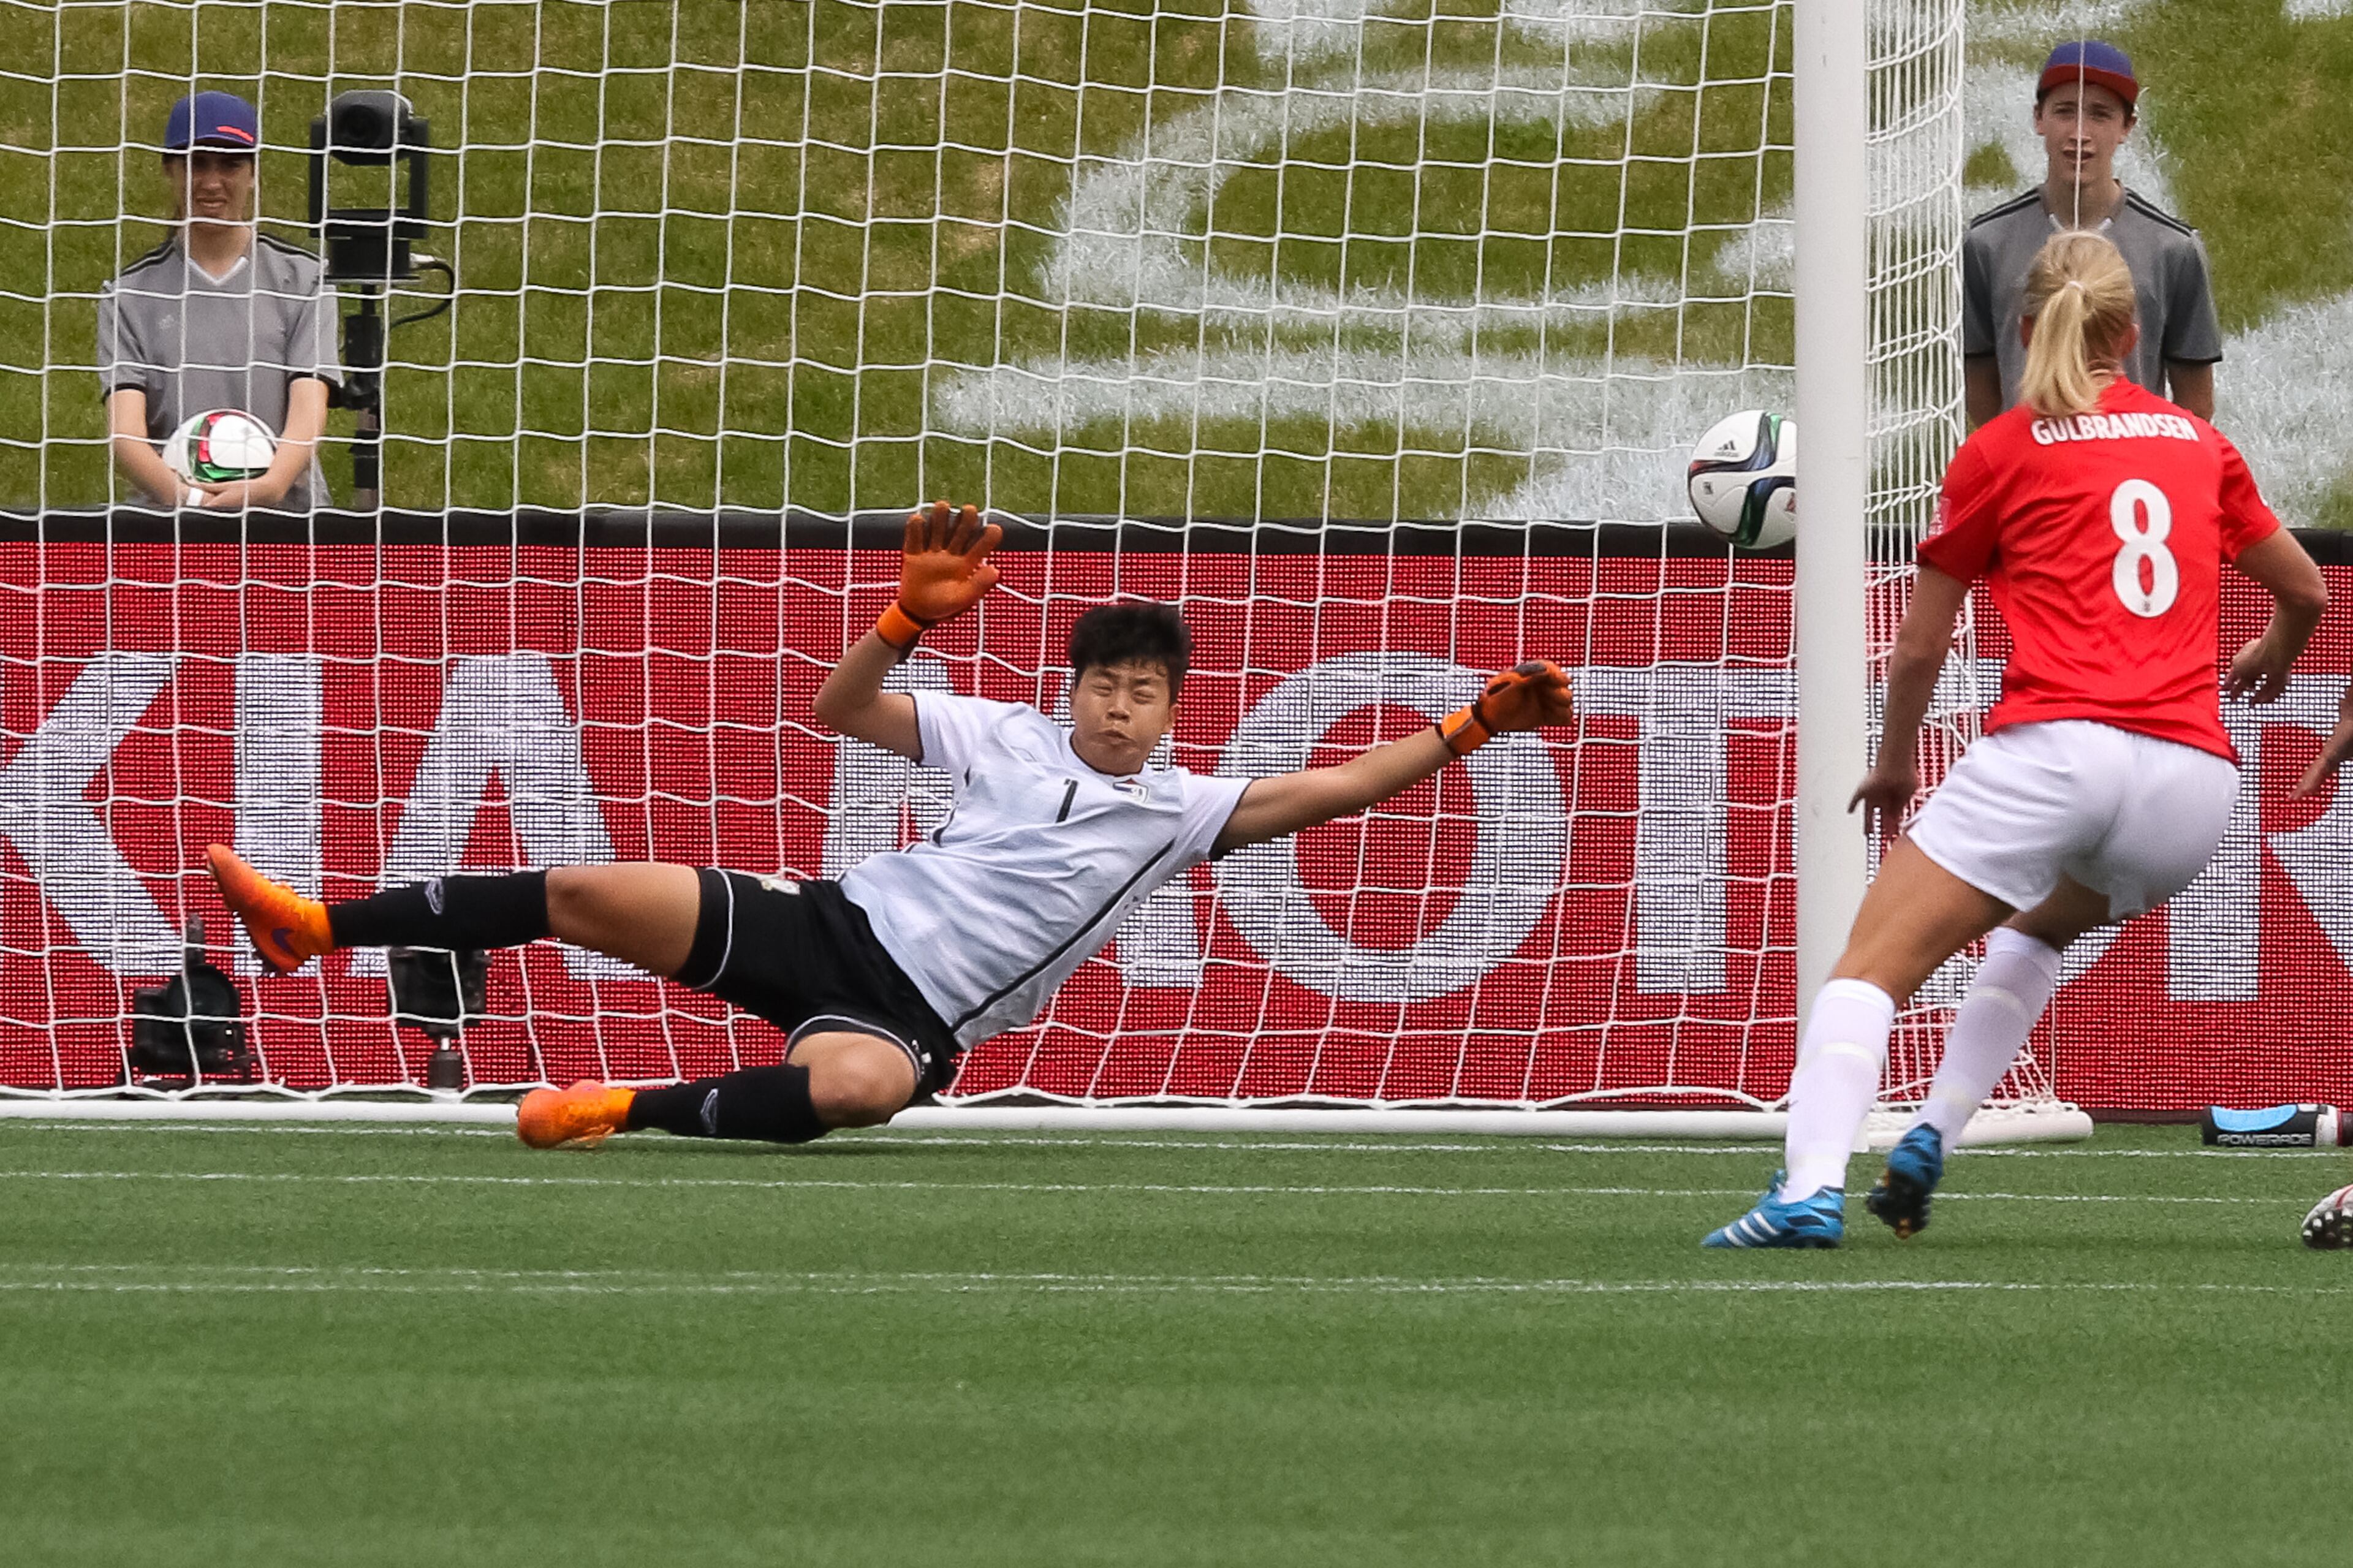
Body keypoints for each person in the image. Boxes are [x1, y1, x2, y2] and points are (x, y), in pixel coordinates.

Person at [205, 501, 1577, 1149]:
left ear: (1172, 714)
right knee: (583, 887)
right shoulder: (1005, 732)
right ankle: (315, 924)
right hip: (831, 919)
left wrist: (1470, 725)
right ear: (1073, 686)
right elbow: (836, 707)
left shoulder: (1185, 809)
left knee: (860, 1094)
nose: (1117, 705)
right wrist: (907, 614)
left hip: (913, 1013)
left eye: (1144, 691)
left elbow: (1336, 790)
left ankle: (617, 1105)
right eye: (1102, 680)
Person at [1703, 231, 2327, 1249]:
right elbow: (2304, 587)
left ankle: (1809, 1186)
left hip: (2059, 749)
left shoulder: (1999, 451)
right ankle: (1934, 1136)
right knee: (2039, 926)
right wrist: (2272, 652)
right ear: (2131, 333)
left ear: (2026, 328)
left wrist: (1898, 756)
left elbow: (1918, 647)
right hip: (2190, 787)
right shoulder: (2196, 442)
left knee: (1869, 968)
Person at [96, 90, 341, 511]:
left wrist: (273, 485)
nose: (212, 182)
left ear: (253, 173)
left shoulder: (304, 278)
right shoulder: (128, 295)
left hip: (288, 521)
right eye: (196, 163)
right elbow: (126, 434)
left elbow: (309, 405)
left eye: (230, 164)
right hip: (172, 521)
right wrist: (191, 501)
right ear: (169, 170)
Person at [1963, 40, 2219, 429]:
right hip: (2029, 472)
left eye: (2100, 115)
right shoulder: (1986, 243)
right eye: (2065, 112)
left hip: (2129, 471)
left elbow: (2196, 403)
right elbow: (1980, 378)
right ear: (2039, 118)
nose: (2080, 133)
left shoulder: (2173, 248)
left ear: (2127, 127)